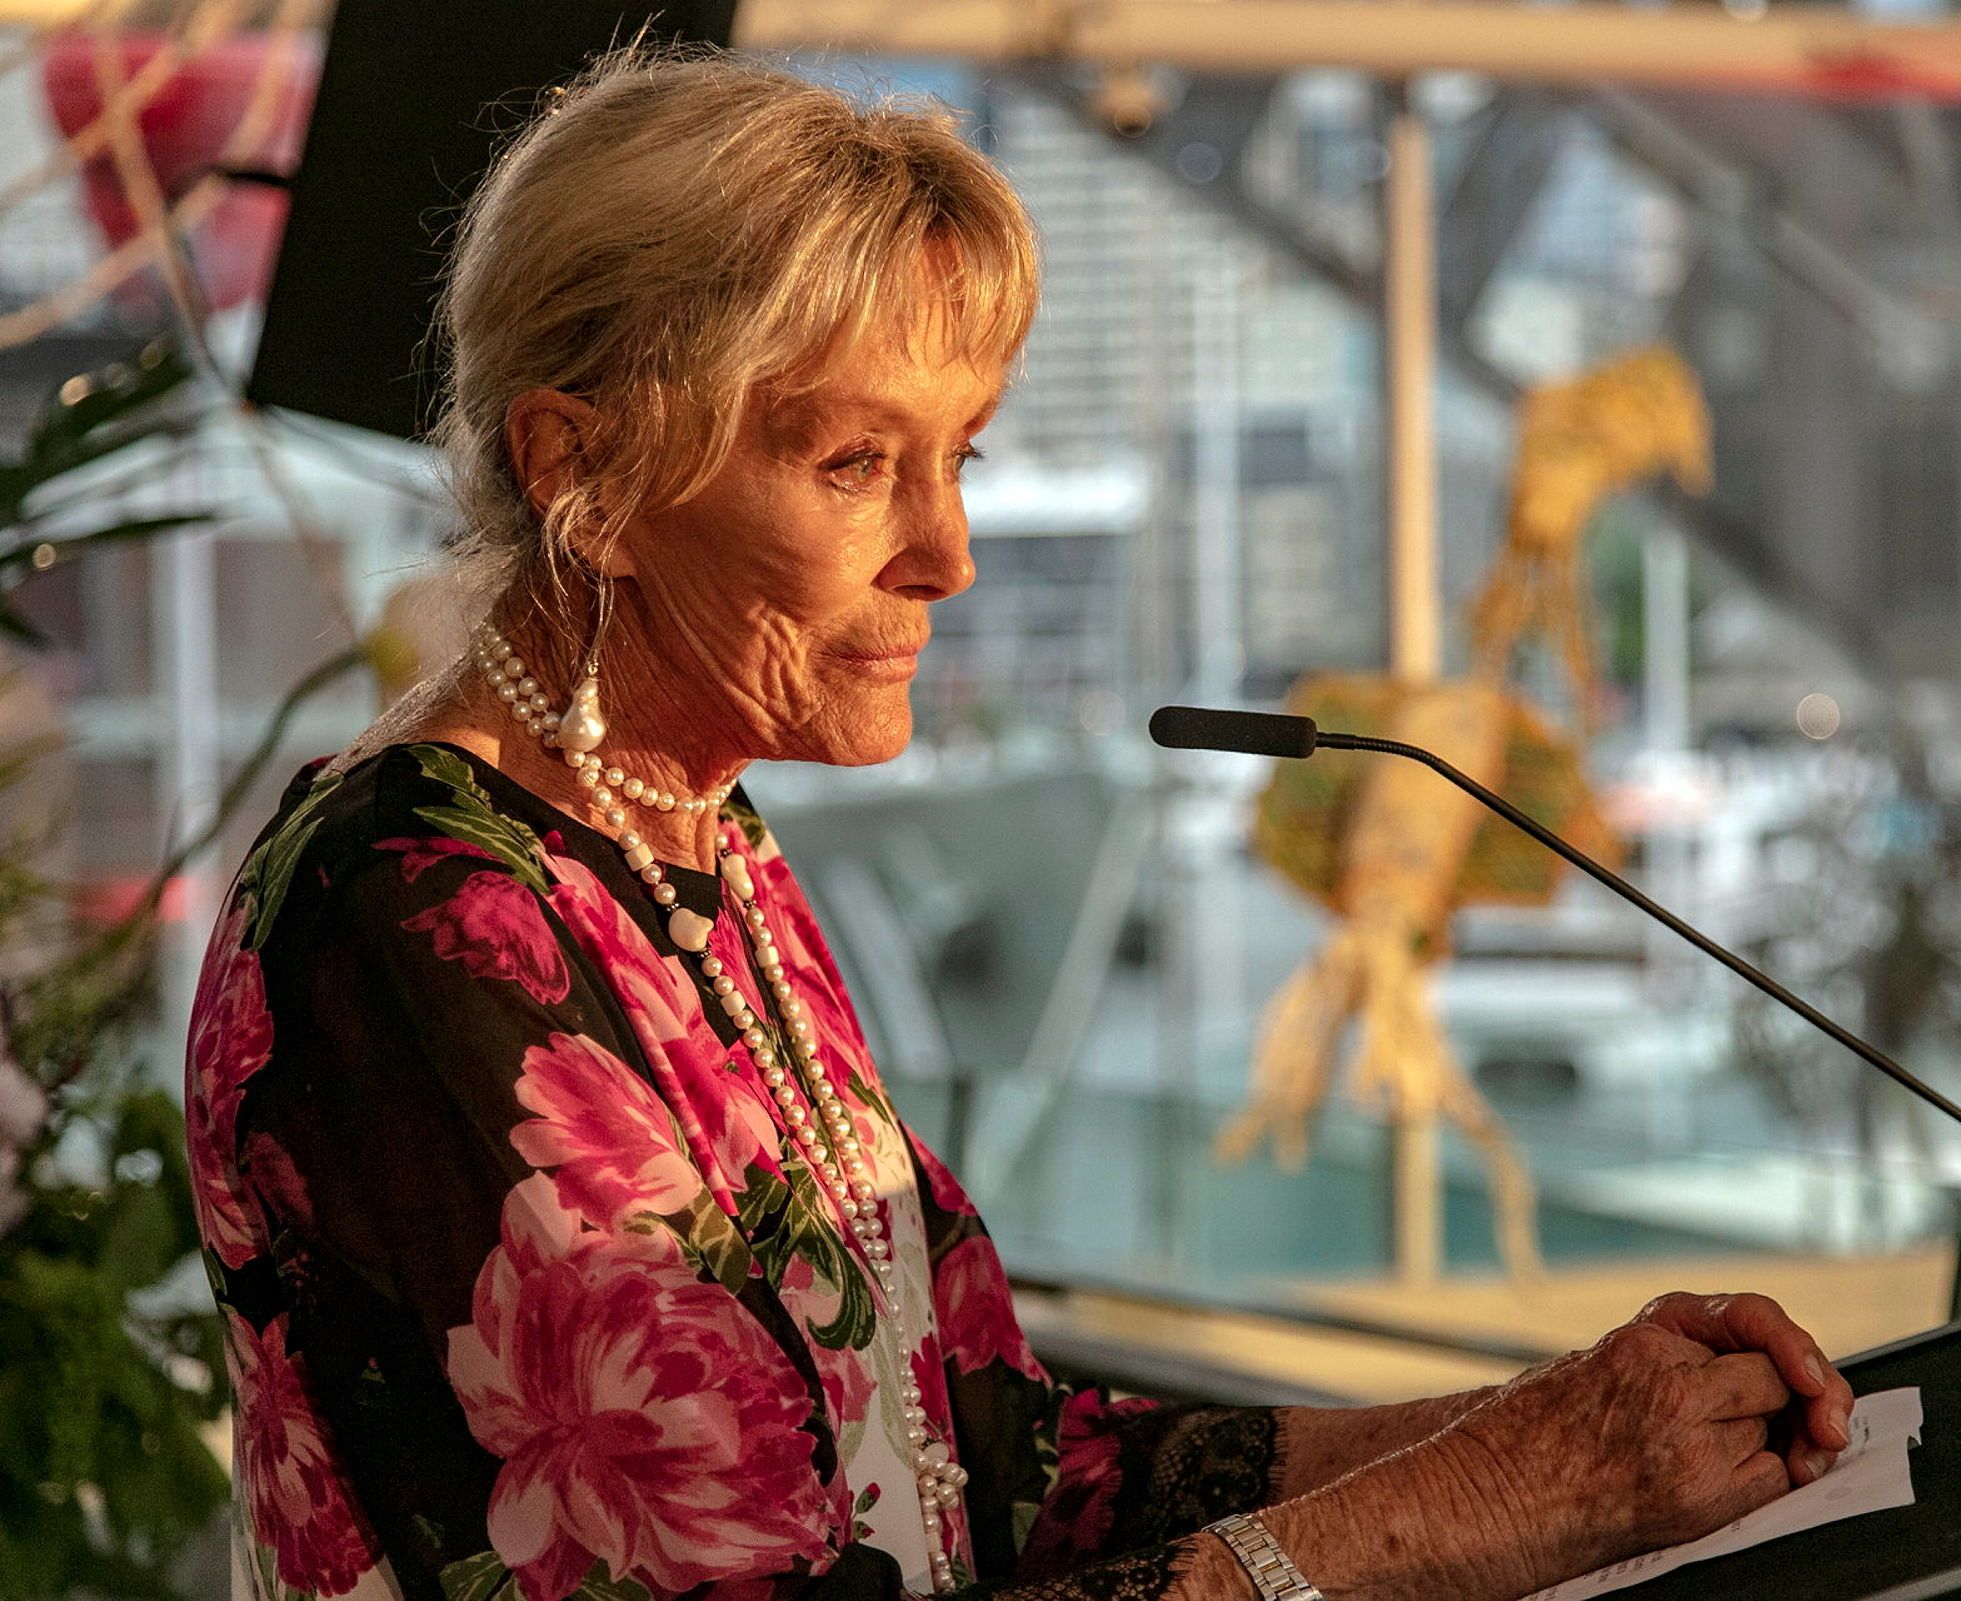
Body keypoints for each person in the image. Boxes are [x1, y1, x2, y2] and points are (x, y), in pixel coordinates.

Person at [186, 48, 1855, 1601]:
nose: (947, 554)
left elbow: (998, 1459)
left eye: (960, 459)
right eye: (854, 463)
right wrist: (1493, 1500)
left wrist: (1571, 1425)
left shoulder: (694, 835)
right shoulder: (413, 908)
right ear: (588, 474)